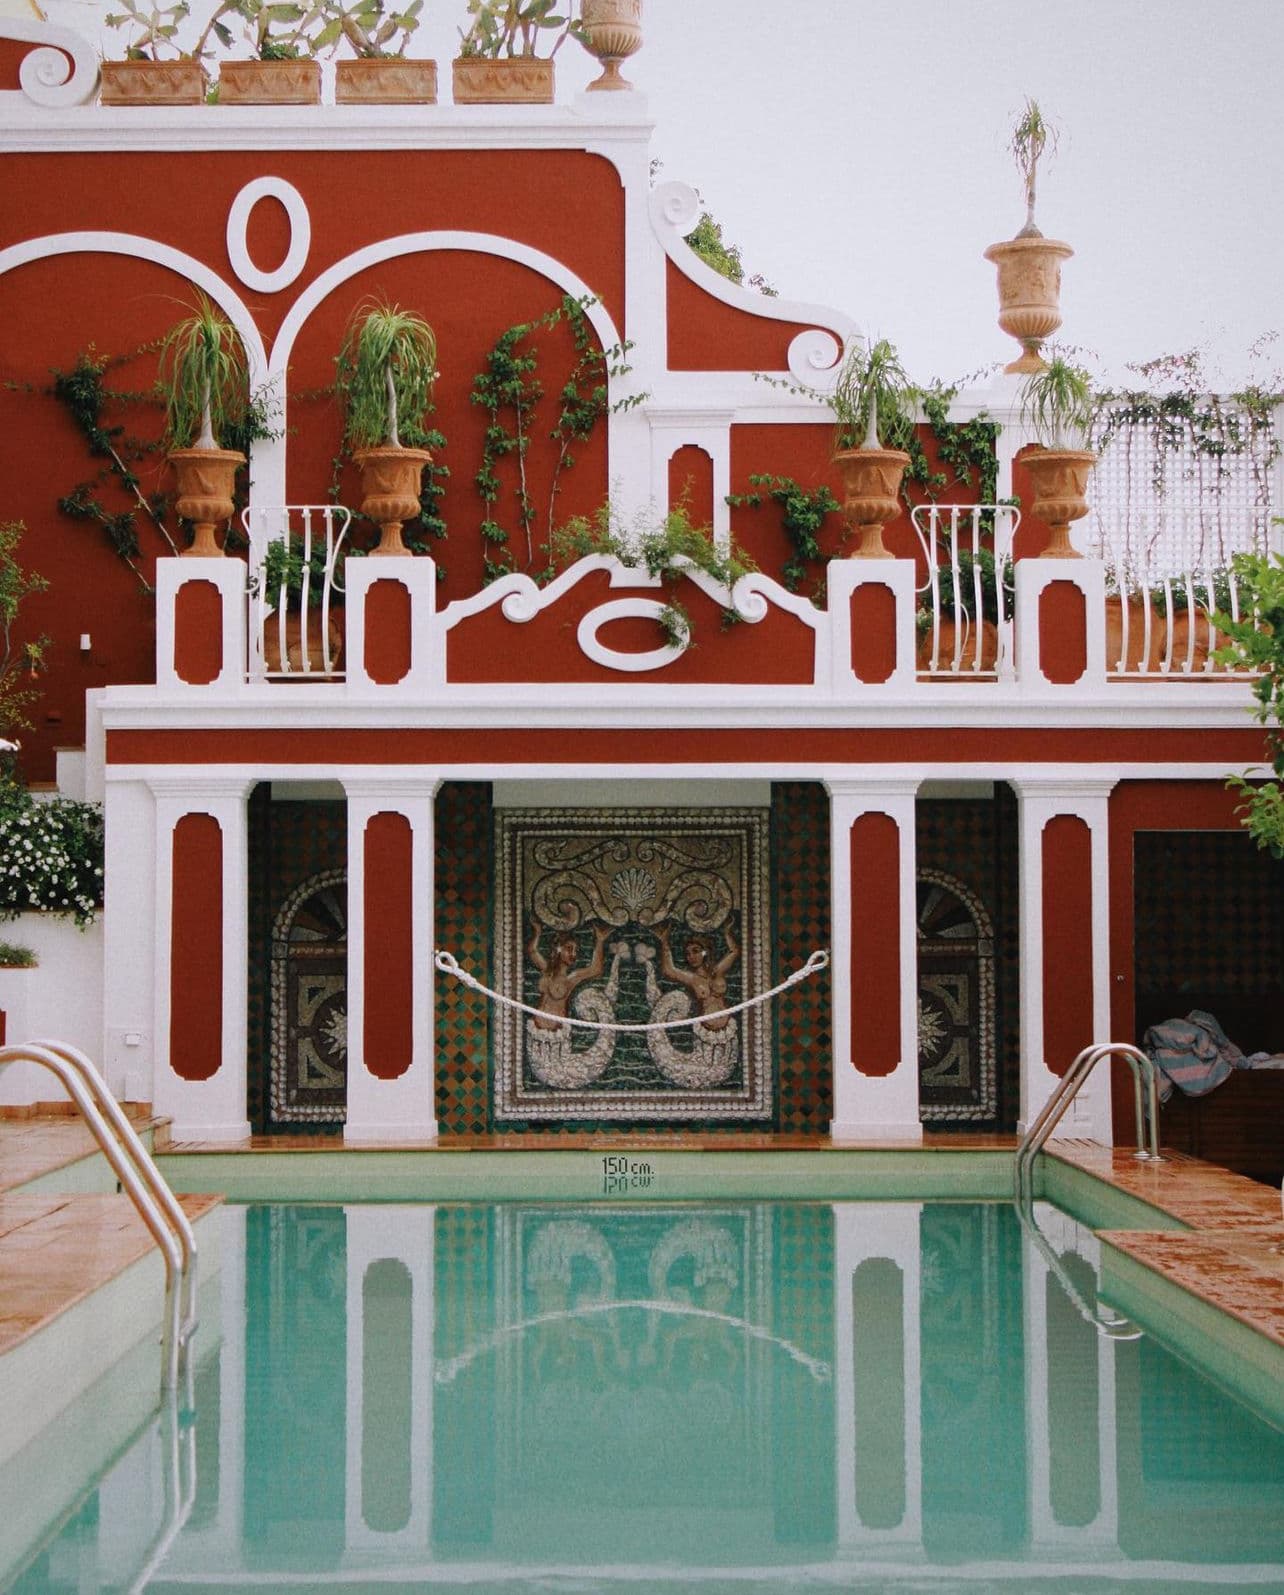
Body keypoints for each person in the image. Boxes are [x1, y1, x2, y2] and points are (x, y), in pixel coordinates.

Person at [527, 919, 611, 1030]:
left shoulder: (572, 978)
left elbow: (596, 969)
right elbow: (532, 951)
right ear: (558, 949)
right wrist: (537, 932)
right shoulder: (546, 969)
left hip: (557, 1035)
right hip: (536, 1030)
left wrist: (599, 941)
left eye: (576, 950)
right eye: (569, 949)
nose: (573, 954)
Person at [655, 923, 739, 1032]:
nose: (691, 957)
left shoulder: (718, 971)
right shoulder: (692, 979)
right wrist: (664, 943)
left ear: (705, 952)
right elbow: (669, 970)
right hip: (706, 1033)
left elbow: (734, 951)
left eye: (695, 951)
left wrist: (727, 932)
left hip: (728, 1030)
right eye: (688, 954)